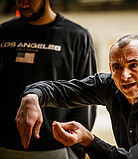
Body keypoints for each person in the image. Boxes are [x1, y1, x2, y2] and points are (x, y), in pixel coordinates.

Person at [15, 34, 138, 158]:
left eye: (134, 65)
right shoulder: (109, 86)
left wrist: (88, 139)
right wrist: (32, 95)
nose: (124, 75)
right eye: (117, 67)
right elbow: (64, 91)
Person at [0, 0, 97, 158]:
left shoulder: (76, 36)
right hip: (4, 146)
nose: (23, 3)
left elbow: (86, 95)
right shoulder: (4, 32)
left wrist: (75, 150)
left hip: (55, 148)